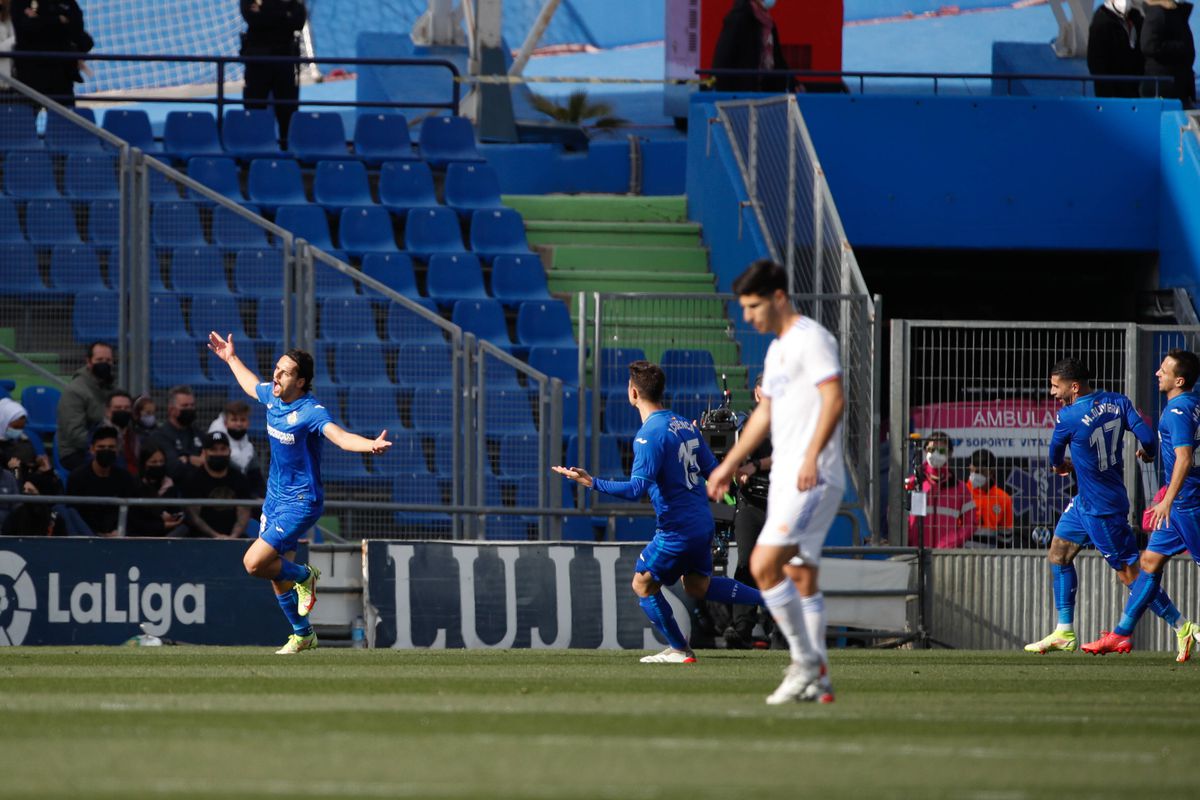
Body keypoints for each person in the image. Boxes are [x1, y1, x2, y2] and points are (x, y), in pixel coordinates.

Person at [553, 360, 764, 664]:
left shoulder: (649, 435)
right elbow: (714, 472)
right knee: (697, 585)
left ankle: (680, 649)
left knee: (642, 584)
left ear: (633, 392)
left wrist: (592, 482)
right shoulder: (684, 425)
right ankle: (771, 599)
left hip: (676, 530)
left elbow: (636, 489)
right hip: (702, 522)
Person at [707, 259, 844, 704]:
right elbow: (763, 415)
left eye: (753, 306)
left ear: (778, 297)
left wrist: (810, 456)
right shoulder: (777, 350)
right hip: (790, 475)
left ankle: (805, 664)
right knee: (800, 575)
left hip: (812, 476)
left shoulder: (812, 340)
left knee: (764, 564)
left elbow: (834, 399)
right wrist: (728, 465)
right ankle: (817, 676)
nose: (747, 316)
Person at [207, 331, 391, 654]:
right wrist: (231, 358)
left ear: (301, 382)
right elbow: (251, 384)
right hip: (275, 499)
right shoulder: (273, 397)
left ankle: (305, 576)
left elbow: (340, 437)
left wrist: (370, 445)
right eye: (277, 369)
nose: (276, 375)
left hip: (302, 501)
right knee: (275, 572)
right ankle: (303, 634)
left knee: (253, 563)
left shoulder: (311, 411)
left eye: (285, 372)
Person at [1025, 357, 1190, 654]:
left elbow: (1054, 455)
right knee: (1059, 553)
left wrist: (1059, 466)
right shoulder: (1118, 401)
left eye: (1056, 386)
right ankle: (1064, 631)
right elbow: (1147, 437)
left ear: (1074, 387)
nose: (1052, 392)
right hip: (1086, 502)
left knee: (1130, 574)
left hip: (1102, 509)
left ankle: (1182, 626)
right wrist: (1149, 453)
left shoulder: (1068, 416)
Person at [1082, 349, 1200, 659]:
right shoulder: (1193, 405)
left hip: (1189, 506)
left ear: (1179, 380)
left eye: (1164, 370)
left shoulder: (1177, 411)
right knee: (1148, 563)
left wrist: (1167, 500)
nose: (1157, 374)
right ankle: (1121, 634)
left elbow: (1185, 458)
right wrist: (1154, 456)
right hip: (1180, 505)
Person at [724, 373, 775, 650]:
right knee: (745, 564)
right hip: (751, 503)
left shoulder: (790, 422)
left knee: (779, 565)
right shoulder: (745, 424)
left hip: (780, 504)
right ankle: (742, 628)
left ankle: (777, 628)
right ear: (757, 393)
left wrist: (754, 466)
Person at [240, 0, 307, 146]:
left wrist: (264, 10)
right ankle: (254, 148)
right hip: (257, 62)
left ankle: (286, 146)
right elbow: (253, 18)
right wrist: (284, 13)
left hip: (284, 60)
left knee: (287, 110)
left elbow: (298, 21)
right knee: (254, 109)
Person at [10, 0, 92, 107]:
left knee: (64, 114)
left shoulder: (66, 3)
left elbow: (77, 25)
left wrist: (41, 20)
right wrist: (58, 20)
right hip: (30, 72)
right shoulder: (21, 2)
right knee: (25, 114)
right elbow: (26, 27)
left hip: (62, 73)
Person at [907, 431, 977, 549]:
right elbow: (897, 516)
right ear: (925, 451)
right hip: (915, 553)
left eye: (941, 451)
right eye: (931, 449)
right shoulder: (913, 483)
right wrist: (909, 542)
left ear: (950, 454)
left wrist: (952, 541)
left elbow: (971, 523)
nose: (935, 454)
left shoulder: (960, 488)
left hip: (946, 555)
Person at [65, 424, 137, 536]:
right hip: (86, 537)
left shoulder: (125, 478)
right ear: (92, 449)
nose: (106, 451)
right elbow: (73, 515)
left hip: (117, 537)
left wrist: (119, 531)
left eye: (111, 447)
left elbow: (131, 513)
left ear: (117, 450)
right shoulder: (77, 478)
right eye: (101, 447)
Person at [711, 0, 792, 93]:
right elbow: (723, 58)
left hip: (766, 91)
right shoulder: (738, 18)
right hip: (742, 92)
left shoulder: (769, 24)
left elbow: (777, 59)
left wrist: (794, 83)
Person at [183, 431, 253, 539]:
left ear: (229, 451)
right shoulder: (194, 479)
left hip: (234, 538)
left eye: (223, 449)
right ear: (204, 452)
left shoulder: (239, 478)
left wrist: (233, 536)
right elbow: (193, 516)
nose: (219, 453)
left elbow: (244, 513)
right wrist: (216, 536)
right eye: (213, 449)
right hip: (200, 538)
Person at [56, 342, 114, 470]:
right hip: (76, 452)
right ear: (89, 362)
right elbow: (75, 434)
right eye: (99, 360)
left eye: (108, 360)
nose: (104, 363)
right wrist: (102, 445)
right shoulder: (75, 391)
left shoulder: (109, 388)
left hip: (106, 447)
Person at [1140, 0, 1196, 107]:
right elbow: (1149, 45)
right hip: (1164, 87)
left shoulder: (1176, 13)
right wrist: (1180, 47)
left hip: (1180, 86)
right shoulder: (1157, 13)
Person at [126, 443, 187, 538]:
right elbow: (135, 521)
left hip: (167, 535)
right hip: (140, 536)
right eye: (153, 462)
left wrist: (173, 517)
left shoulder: (170, 485)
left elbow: (175, 511)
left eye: (161, 461)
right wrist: (162, 525)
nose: (158, 465)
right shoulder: (135, 485)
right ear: (144, 464)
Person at [1088, 0, 1145, 98]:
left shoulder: (1137, 19)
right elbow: (1095, 62)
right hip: (1111, 94)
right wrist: (1108, 91)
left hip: (1134, 89)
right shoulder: (1101, 22)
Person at [209, 399, 265, 497]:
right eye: (234, 420)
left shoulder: (249, 448)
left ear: (248, 422)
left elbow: (256, 478)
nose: (239, 424)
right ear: (226, 423)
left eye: (242, 420)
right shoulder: (216, 446)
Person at [147, 385, 203, 480]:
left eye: (192, 405)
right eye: (185, 406)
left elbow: (209, 462)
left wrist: (185, 458)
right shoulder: (160, 435)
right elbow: (173, 468)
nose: (190, 409)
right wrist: (192, 459)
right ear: (171, 409)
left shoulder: (199, 433)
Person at [966, 448, 1014, 548]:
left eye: (980, 472)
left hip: (991, 555)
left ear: (991, 472)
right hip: (961, 554)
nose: (974, 476)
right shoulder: (961, 493)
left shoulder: (1003, 498)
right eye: (972, 471)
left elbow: (1006, 537)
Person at [0, 396, 48, 474]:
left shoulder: (24, 442)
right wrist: (15, 470)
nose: (18, 431)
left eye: (21, 427)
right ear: (3, 423)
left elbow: (29, 468)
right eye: (15, 427)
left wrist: (39, 466)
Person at [102, 389, 137, 475]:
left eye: (126, 408)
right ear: (107, 411)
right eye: (118, 408)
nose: (123, 410)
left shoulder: (135, 435)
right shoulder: (100, 435)